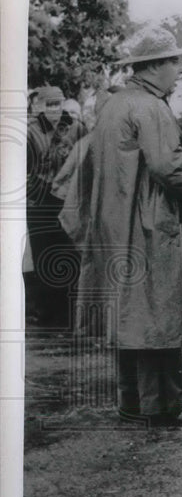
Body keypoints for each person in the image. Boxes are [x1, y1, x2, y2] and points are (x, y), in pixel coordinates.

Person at [59, 27, 182, 426]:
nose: (180, 70)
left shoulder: (113, 105)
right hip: (147, 224)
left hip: (115, 223)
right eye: (174, 62)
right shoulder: (149, 107)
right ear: (156, 66)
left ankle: (133, 403)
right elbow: (169, 166)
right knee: (157, 312)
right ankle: (162, 406)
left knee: (130, 314)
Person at [25, 85, 88, 327]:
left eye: (57, 104)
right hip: (39, 205)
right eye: (49, 104)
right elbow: (23, 172)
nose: (54, 109)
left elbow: (86, 162)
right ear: (39, 106)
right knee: (43, 257)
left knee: (69, 255)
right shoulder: (29, 132)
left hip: (70, 203)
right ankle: (47, 314)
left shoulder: (76, 127)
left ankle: (70, 313)